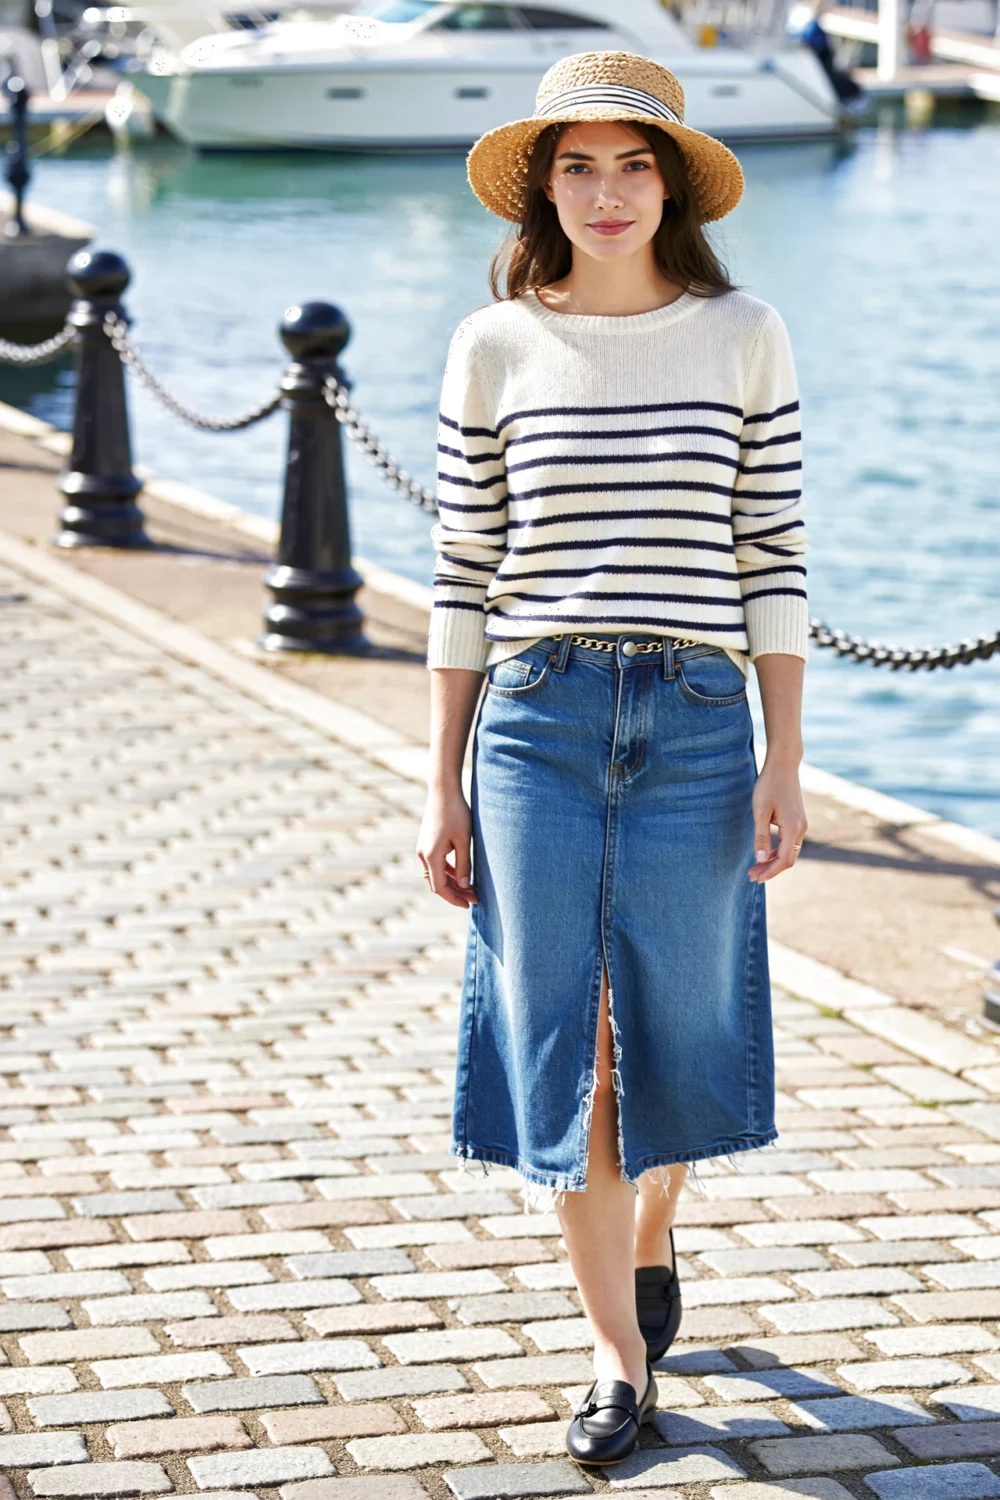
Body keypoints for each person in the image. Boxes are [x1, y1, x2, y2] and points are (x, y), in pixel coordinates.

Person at [416, 50, 808, 1467]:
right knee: (567, 1045)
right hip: (537, 718)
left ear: (673, 184)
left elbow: (773, 555)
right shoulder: (494, 342)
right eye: (576, 166)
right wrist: (441, 777)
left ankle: (650, 1230)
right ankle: (616, 1355)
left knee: (676, 1037)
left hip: (703, 723)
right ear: (541, 188)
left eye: (632, 165)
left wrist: (786, 757)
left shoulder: (744, 331)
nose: (606, 193)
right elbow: (461, 570)